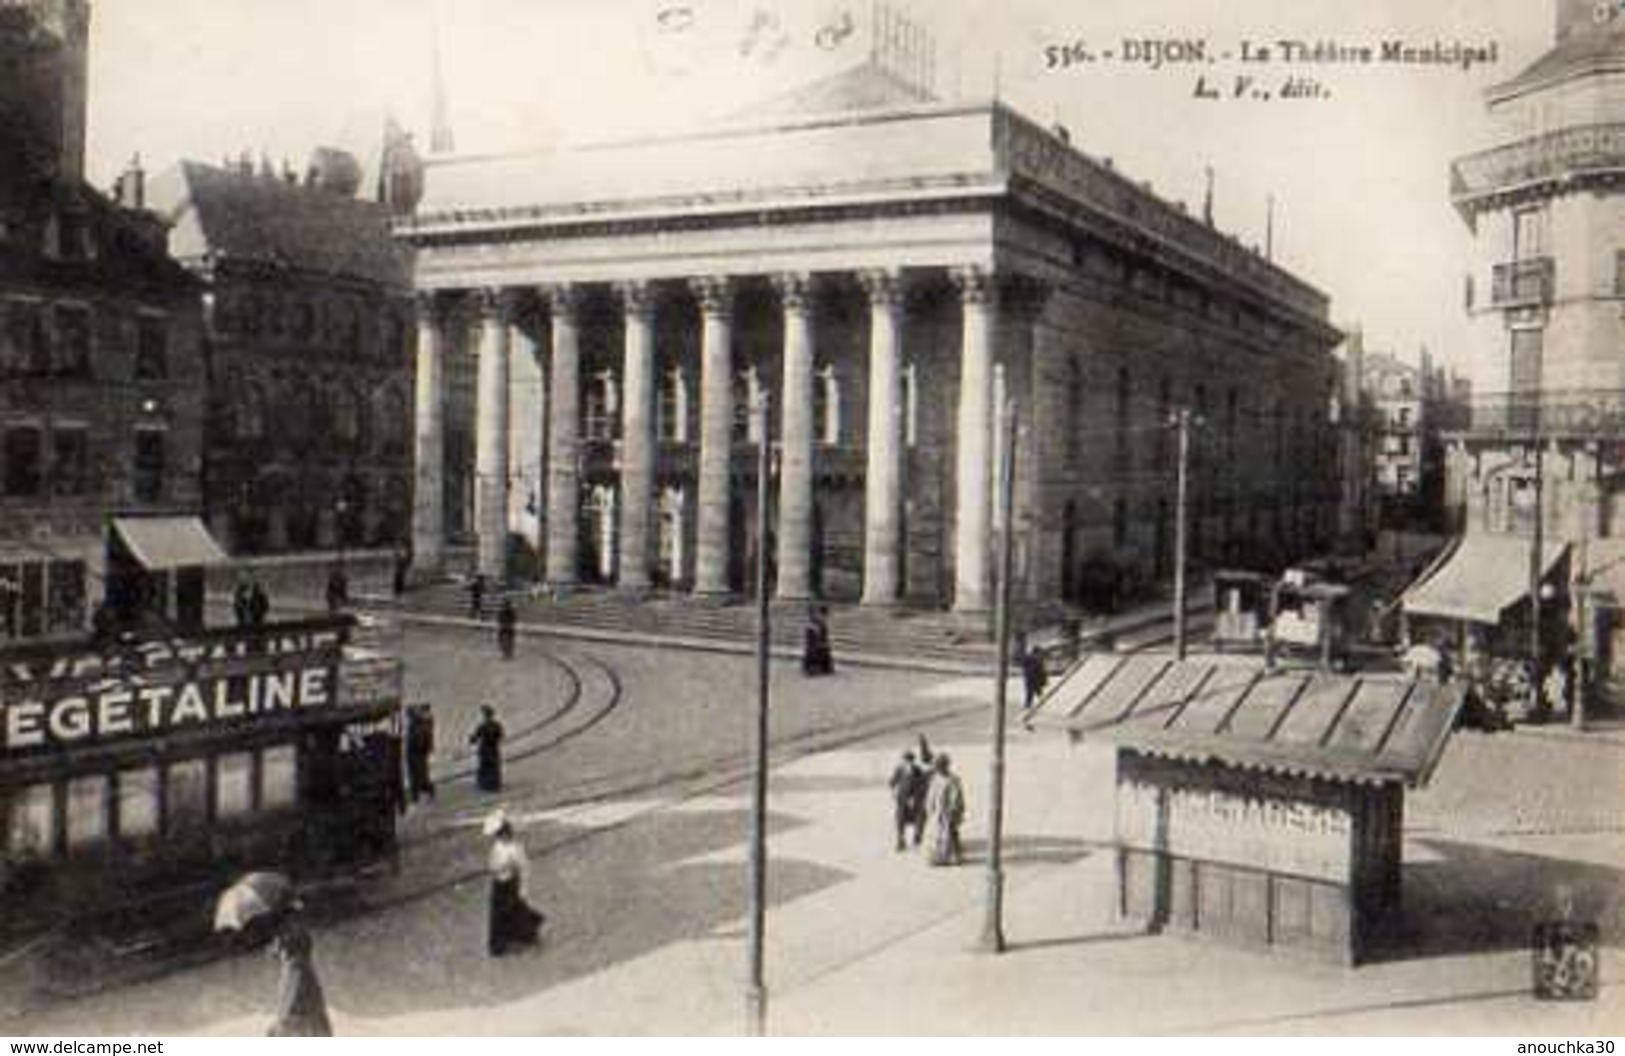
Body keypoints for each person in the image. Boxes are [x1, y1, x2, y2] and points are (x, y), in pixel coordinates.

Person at [484, 811, 544, 956]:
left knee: (515, 910)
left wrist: (523, 889)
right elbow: (492, 863)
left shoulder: (516, 849)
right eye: (498, 834)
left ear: (508, 832)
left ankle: (528, 933)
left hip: (510, 883)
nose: (500, 837)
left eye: (502, 833)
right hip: (498, 883)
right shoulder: (497, 845)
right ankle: (497, 945)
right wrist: (494, 868)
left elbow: (524, 868)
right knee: (497, 914)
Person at [266, 912, 333, 1037]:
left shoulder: (293, 967)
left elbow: (287, 999)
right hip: (318, 1021)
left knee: (271, 1033)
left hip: (303, 1026)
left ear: (285, 949)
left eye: (276, 945)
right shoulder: (306, 966)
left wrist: (277, 1024)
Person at [926, 753, 965, 867]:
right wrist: (930, 808)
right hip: (937, 812)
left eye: (940, 767)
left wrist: (954, 810)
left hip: (948, 812)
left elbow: (957, 796)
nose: (938, 770)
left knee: (951, 833)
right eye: (937, 767)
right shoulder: (935, 779)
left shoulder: (953, 780)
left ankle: (954, 857)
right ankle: (939, 856)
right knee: (938, 834)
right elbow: (931, 795)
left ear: (945, 766)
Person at [888, 750, 927, 851]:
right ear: (903, 761)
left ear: (913, 761)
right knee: (900, 819)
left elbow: (923, 785)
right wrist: (894, 793)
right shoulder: (899, 769)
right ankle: (901, 841)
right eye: (906, 760)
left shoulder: (918, 770)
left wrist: (916, 797)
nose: (908, 763)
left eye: (910, 760)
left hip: (915, 800)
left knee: (920, 818)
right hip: (902, 799)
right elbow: (892, 782)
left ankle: (916, 839)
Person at [469, 705, 505, 793]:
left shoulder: (482, 726)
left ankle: (484, 785)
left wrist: (471, 738)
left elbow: (474, 738)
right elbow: (501, 736)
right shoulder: (497, 725)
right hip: (494, 748)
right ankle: (495, 784)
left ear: (485, 715)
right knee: (494, 766)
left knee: (483, 767)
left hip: (485, 749)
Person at [405, 704, 436, 803]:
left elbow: (418, 739)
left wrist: (417, 747)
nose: (407, 716)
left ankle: (417, 795)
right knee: (419, 775)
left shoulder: (417, 724)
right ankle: (418, 794)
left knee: (418, 775)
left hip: (416, 753)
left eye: (408, 714)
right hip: (417, 753)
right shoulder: (419, 723)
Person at [1019, 636, 1048, 730]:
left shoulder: (1035, 660)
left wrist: (1043, 679)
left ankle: (1028, 711)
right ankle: (1027, 713)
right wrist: (1041, 679)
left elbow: (1041, 671)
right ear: (1036, 652)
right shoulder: (1033, 660)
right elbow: (1038, 671)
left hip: (1031, 680)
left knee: (1033, 694)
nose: (1040, 655)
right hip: (1032, 680)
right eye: (1039, 653)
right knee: (1032, 695)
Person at [802, 606, 834, 676]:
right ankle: (813, 667)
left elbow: (824, 637)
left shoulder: (821, 624)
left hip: (817, 645)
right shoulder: (813, 624)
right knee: (817, 650)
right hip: (813, 646)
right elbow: (811, 639)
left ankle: (823, 667)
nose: (824, 618)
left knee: (825, 649)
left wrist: (824, 643)